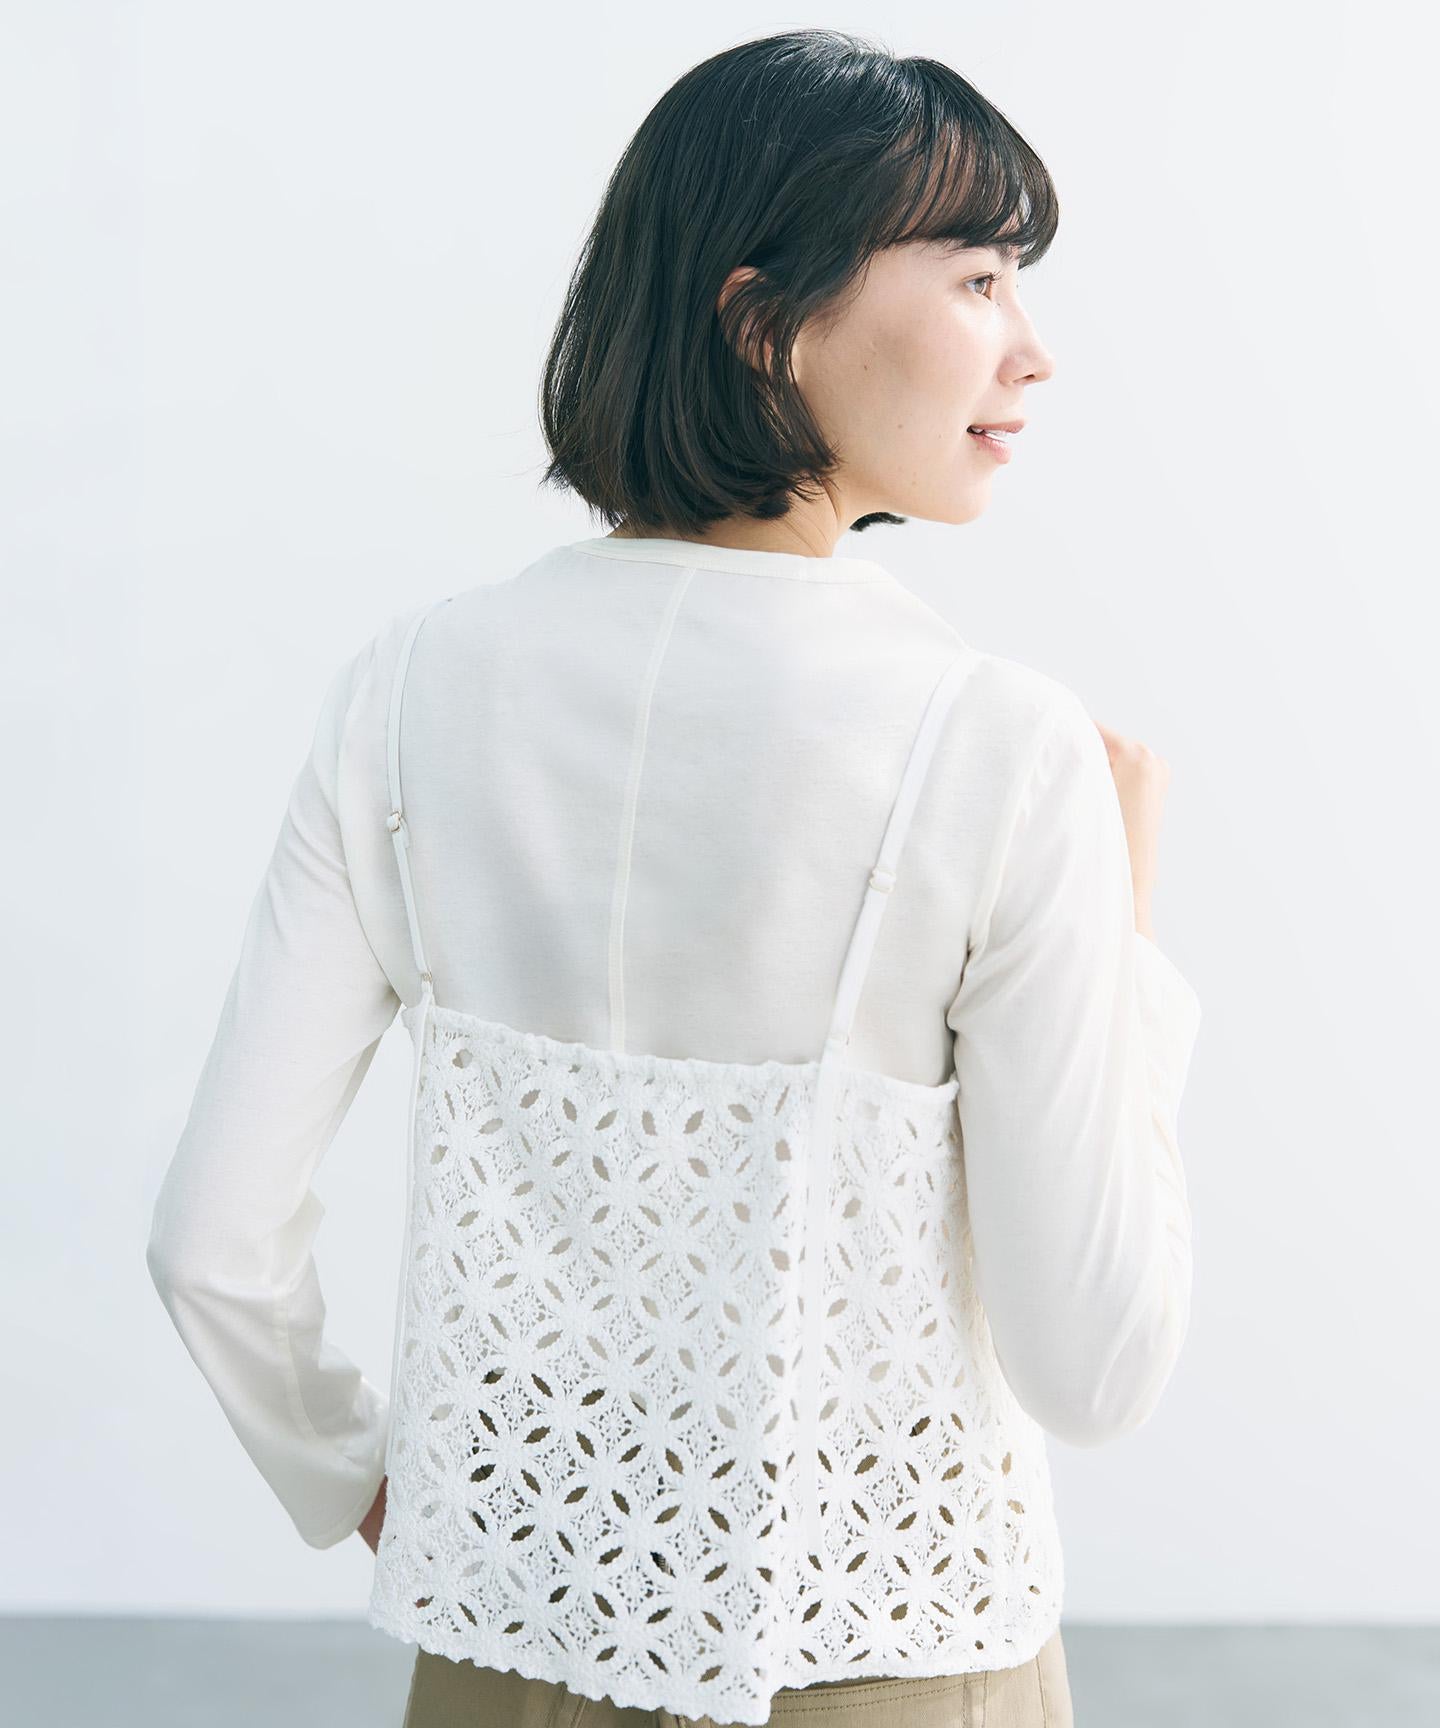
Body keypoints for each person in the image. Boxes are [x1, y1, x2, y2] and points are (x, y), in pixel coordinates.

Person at [148, 27, 1201, 1728]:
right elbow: (1097, 1364)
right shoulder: (1000, 747)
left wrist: (351, 1474)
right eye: (978, 278)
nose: (1034, 349)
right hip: (892, 1654)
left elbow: (212, 1237)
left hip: (508, 1639)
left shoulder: (408, 690)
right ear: (761, 321)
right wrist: (1128, 948)